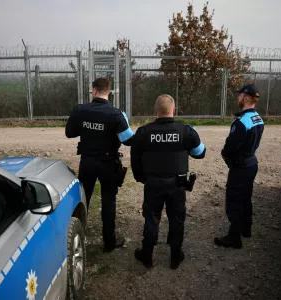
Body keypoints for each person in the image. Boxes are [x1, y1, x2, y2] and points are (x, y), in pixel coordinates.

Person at [131, 94, 206, 269]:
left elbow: (135, 160)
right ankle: (175, 257)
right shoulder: (186, 131)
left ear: (155, 111)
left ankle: (147, 256)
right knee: (177, 219)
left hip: (153, 183)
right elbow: (200, 153)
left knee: (151, 218)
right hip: (177, 184)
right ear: (174, 110)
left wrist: (142, 178)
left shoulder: (143, 132)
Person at [65, 77, 134, 252]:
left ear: (94, 91)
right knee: (109, 201)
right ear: (109, 92)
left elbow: (69, 132)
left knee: (83, 199)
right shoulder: (117, 114)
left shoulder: (81, 110)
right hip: (108, 162)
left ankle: (77, 239)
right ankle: (109, 242)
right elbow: (128, 141)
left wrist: (87, 128)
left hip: (87, 161)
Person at [214, 83, 264, 249]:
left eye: (240, 95)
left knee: (234, 201)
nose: (238, 98)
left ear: (247, 98)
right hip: (251, 163)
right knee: (245, 197)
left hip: (240, 166)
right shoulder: (257, 118)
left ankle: (234, 237)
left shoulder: (242, 122)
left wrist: (225, 155)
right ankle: (246, 228)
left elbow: (230, 147)